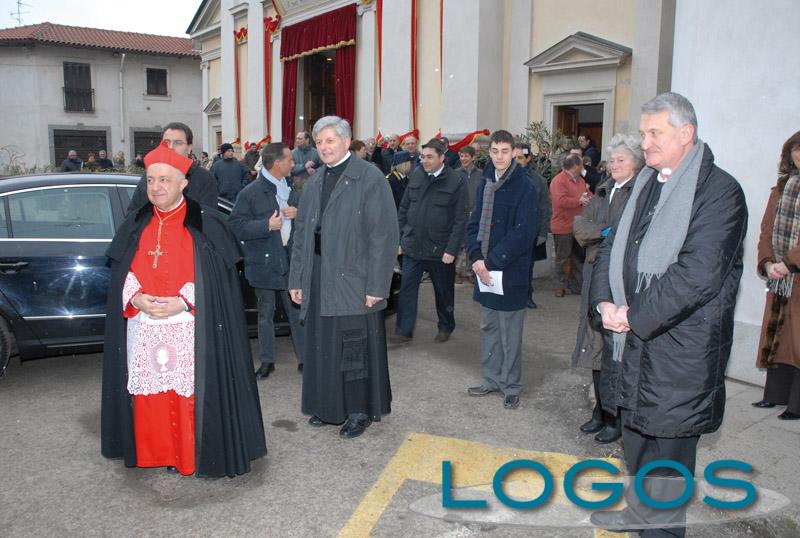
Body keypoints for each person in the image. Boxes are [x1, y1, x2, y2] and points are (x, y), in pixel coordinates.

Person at [589, 92, 747, 536]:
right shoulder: (645, 184)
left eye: (654, 133)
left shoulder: (720, 193)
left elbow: (697, 276)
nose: (646, 143)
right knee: (636, 443)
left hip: (680, 355)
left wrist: (631, 316)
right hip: (633, 348)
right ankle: (638, 516)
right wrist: (604, 302)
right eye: (643, 134)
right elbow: (610, 249)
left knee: (669, 464)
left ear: (686, 133)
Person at [101, 140, 267, 478]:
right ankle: (156, 451)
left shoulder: (205, 223)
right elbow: (122, 273)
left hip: (189, 325)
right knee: (152, 395)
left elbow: (219, 280)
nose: (156, 187)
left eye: (164, 180)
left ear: (183, 183)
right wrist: (134, 298)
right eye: (150, 180)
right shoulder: (137, 222)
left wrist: (186, 300)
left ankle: (188, 454)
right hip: (144, 325)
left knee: (187, 394)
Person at [288, 116, 398, 439]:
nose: (323, 147)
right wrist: (297, 279)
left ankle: (357, 411)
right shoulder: (313, 182)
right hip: (319, 275)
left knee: (353, 348)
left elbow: (384, 236)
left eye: (330, 141)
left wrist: (377, 286)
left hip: (355, 277)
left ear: (347, 142)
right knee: (323, 344)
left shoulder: (369, 178)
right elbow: (301, 235)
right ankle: (327, 406)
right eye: (319, 142)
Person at [571, 133, 643, 445]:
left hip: (618, 280)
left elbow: (630, 238)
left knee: (616, 351)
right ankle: (600, 412)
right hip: (593, 273)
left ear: (636, 163)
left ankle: (616, 418)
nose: (614, 164)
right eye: (612, 159)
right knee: (594, 344)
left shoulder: (639, 194)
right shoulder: (602, 191)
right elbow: (579, 226)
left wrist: (604, 235)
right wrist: (605, 231)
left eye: (621, 159)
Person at [465, 130, 537, 410]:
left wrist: (490, 262)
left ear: (514, 153)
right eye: (494, 151)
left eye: (504, 151)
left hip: (509, 272)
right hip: (485, 271)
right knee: (489, 327)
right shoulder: (485, 182)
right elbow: (474, 223)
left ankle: (511, 386)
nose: (499, 157)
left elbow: (524, 232)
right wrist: (474, 256)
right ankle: (492, 379)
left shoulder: (524, 185)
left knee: (510, 333)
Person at [230, 142, 305, 379]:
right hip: (263, 263)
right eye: (290, 160)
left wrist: (298, 212)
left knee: (296, 311)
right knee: (265, 313)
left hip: (289, 260)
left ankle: (304, 359)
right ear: (277, 164)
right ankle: (267, 361)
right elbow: (236, 226)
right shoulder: (250, 193)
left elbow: (306, 220)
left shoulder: (290, 188)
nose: (293, 164)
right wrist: (266, 225)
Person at [391, 138, 470, 345]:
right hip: (413, 245)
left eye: (430, 157)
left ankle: (445, 325)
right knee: (407, 289)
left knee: (443, 291)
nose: (425, 161)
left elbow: (461, 218)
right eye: (422, 156)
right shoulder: (417, 175)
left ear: (442, 157)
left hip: (440, 249)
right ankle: (404, 330)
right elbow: (404, 208)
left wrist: (452, 249)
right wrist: (400, 238)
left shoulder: (456, 181)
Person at [753, 130, 800, 421]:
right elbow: (766, 228)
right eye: (794, 150)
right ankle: (775, 396)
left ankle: (796, 404)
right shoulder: (782, 187)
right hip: (779, 278)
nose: (798, 155)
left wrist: (789, 262)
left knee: (797, 340)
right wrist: (768, 262)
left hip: (795, 275)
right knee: (777, 337)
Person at [128, 123, 218, 212]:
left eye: (177, 143)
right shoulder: (151, 175)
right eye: (167, 142)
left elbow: (208, 219)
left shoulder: (204, 179)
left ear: (189, 148)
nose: (171, 147)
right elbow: (134, 216)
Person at [513, 142, 551, 309]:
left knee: (527, 267)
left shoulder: (538, 181)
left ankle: (526, 295)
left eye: (520, 158)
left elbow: (545, 207)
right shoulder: (502, 178)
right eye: (513, 158)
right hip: (508, 231)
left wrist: (542, 232)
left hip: (529, 233)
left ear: (528, 159)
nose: (516, 161)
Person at [550, 153, 590, 297]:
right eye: (581, 165)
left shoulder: (580, 181)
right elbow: (560, 201)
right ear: (576, 166)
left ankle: (577, 285)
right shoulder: (558, 181)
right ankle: (559, 286)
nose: (583, 168)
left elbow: (588, 195)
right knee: (562, 258)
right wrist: (578, 201)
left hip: (577, 226)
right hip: (562, 226)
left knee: (578, 258)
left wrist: (589, 198)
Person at [456, 145, 483, 284]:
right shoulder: (455, 174)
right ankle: (458, 272)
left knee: (473, 243)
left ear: (473, 157)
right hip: (460, 213)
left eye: (466, 156)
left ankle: (472, 271)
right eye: (461, 156)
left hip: (475, 214)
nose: (463, 159)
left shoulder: (480, 174)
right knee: (459, 244)